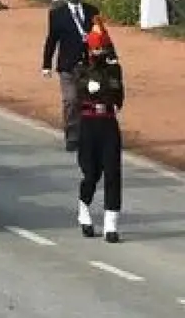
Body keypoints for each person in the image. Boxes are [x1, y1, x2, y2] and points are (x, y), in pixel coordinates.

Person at [72, 18, 124, 243]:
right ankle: (83, 210)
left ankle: (111, 225)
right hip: (89, 124)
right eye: (96, 48)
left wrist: (101, 85)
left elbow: (117, 97)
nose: (99, 52)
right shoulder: (81, 69)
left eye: (102, 47)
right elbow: (82, 92)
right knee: (91, 174)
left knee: (113, 174)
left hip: (108, 123)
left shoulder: (114, 70)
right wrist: (96, 86)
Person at [42, 0, 101, 152]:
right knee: (71, 100)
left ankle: (91, 136)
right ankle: (73, 137)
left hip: (90, 65)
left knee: (90, 100)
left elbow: (101, 36)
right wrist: (46, 64)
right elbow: (51, 40)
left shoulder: (92, 11)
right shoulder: (57, 14)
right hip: (67, 65)